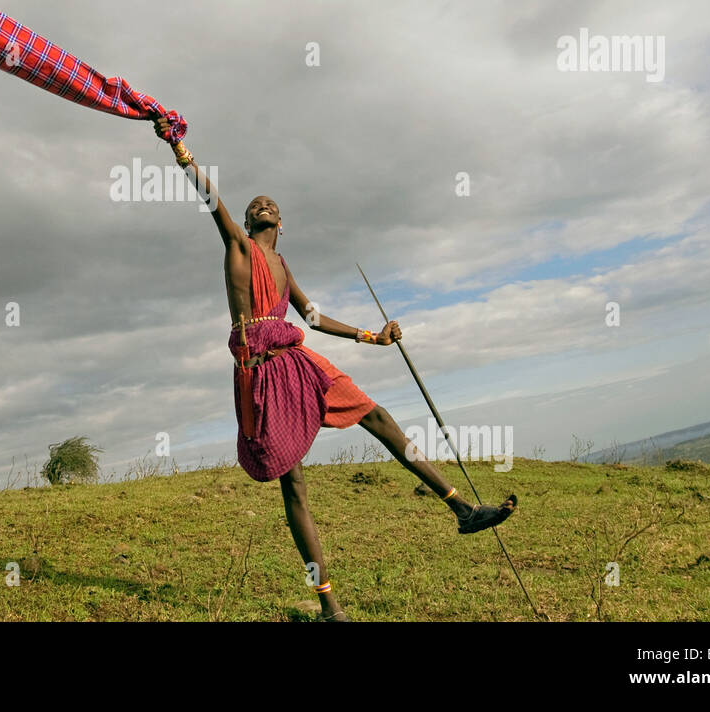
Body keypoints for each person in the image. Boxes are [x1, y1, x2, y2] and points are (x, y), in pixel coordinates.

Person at [151, 116, 516, 621]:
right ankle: (329, 605)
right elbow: (211, 202)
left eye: (271, 204)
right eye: (256, 203)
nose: (263, 203)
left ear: (282, 223)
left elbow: (314, 317)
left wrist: (373, 336)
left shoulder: (283, 267)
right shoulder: (238, 248)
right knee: (294, 485)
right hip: (261, 375)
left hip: (299, 361)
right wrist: (180, 149)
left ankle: (462, 509)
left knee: (378, 414)